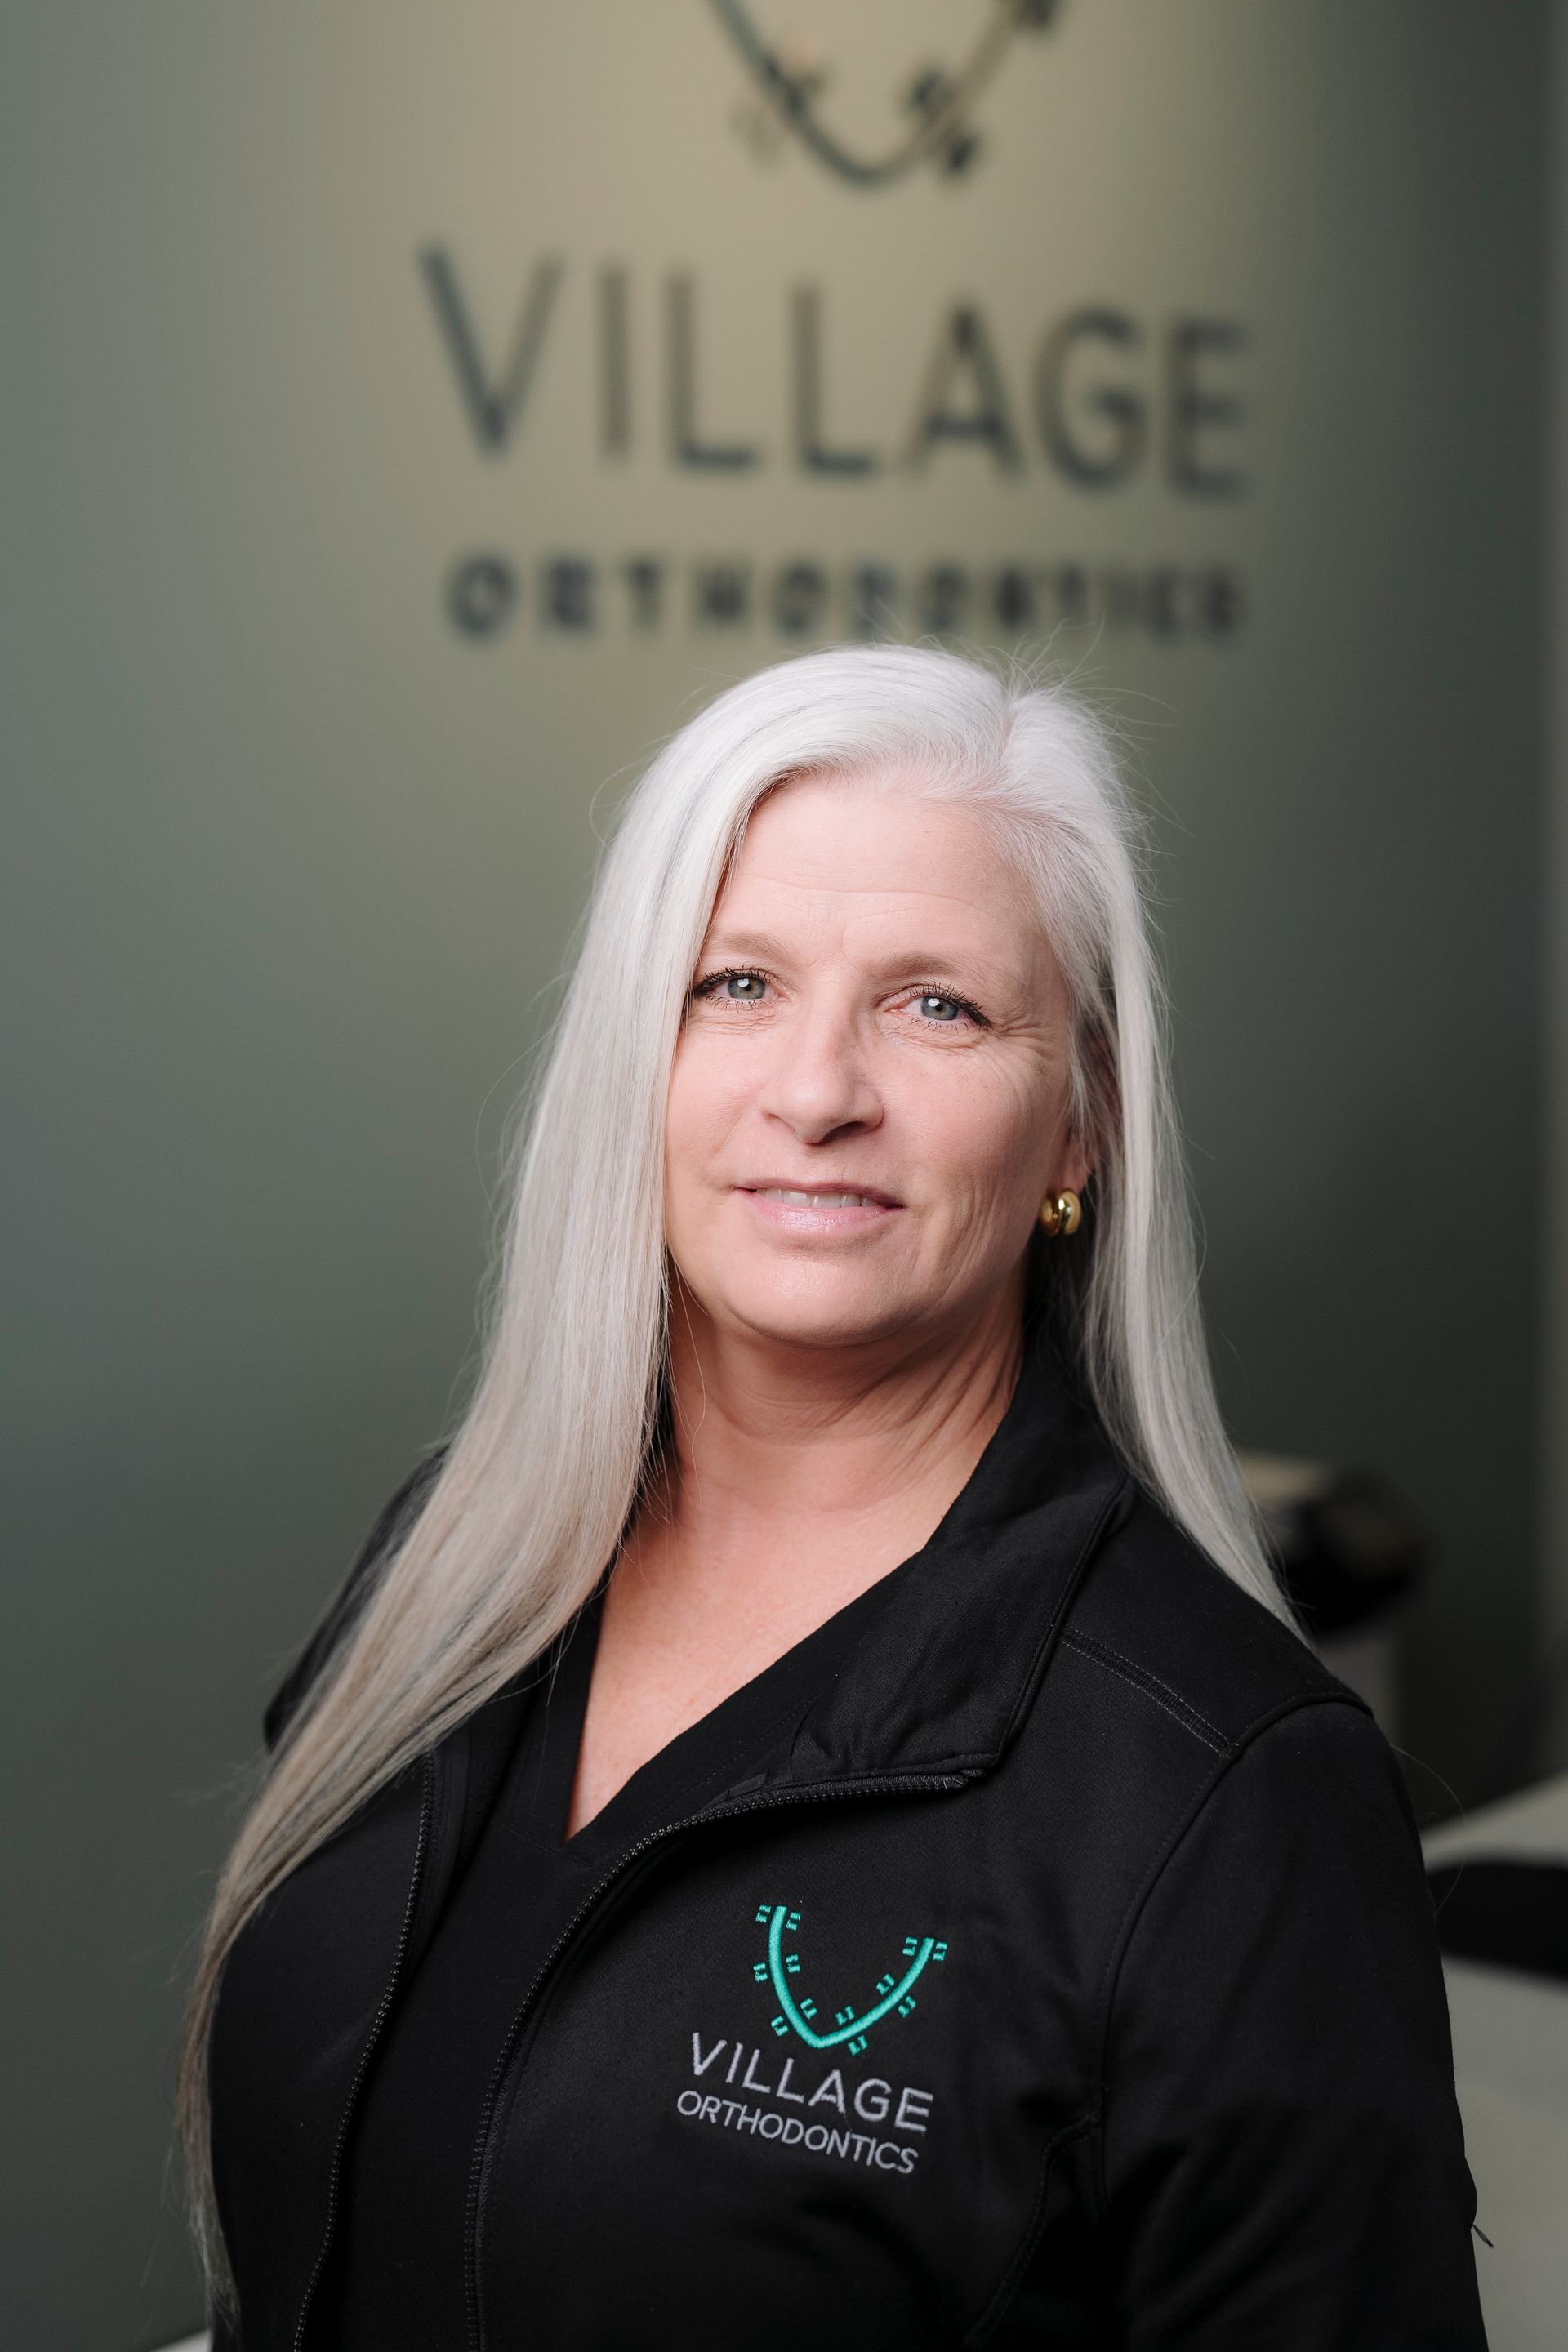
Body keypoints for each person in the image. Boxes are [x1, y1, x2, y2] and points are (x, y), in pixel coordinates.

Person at [184, 647, 1485, 2350]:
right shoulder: (450, 1561)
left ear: (1080, 1120)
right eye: (735, 984)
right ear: (631, 1055)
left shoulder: (1229, 1794)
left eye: (937, 1004)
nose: (816, 1092)